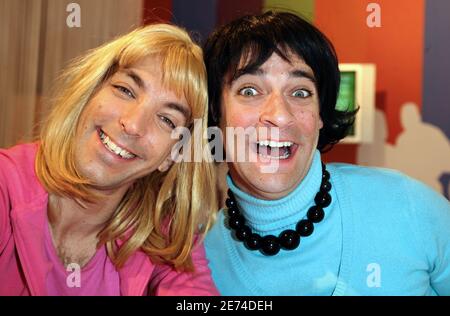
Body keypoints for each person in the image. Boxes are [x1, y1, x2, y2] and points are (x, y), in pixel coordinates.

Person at [203, 11, 450, 295]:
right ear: (215, 113)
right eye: (249, 91)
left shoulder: (408, 206)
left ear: (320, 115)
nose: (280, 116)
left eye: (300, 92)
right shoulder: (195, 267)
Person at [0, 23, 219, 296]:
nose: (133, 125)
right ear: (89, 93)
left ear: (171, 156)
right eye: (125, 90)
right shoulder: (5, 186)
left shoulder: (164, 231)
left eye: (166, 120)